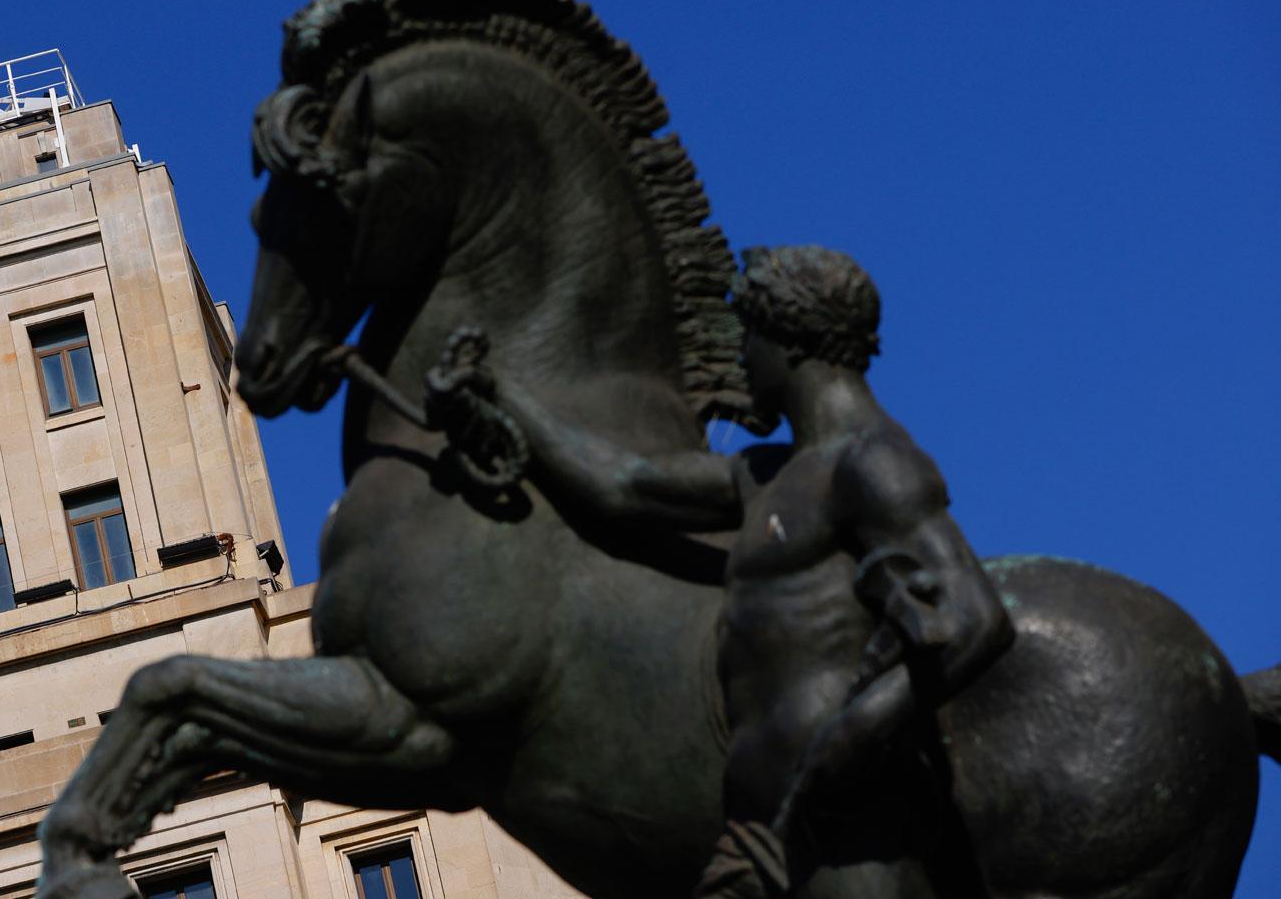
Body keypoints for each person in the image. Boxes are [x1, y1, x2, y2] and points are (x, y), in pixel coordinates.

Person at [426, 246, 1014, 896]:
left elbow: (976, 617)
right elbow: (626, 484)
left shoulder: (873, 463)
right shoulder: (771, 473)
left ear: (787, 340)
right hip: (757, 836)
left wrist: (854, 733)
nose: (742, 357)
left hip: (846, 829)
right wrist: (499, 393)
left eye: (750, 336)